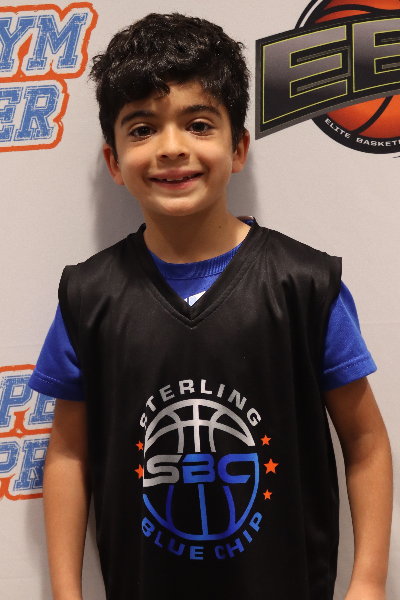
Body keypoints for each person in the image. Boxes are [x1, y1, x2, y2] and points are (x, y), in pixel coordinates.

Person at [29, 13, 392, 600]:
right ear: (114, 161)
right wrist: (65, 593)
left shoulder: (305, 285)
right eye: (142, 128)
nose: (172, 148)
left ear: (238, 147)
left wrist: (369, 581)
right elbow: (68, 453)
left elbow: (367, 443)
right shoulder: (88, 296)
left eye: (198, 124)